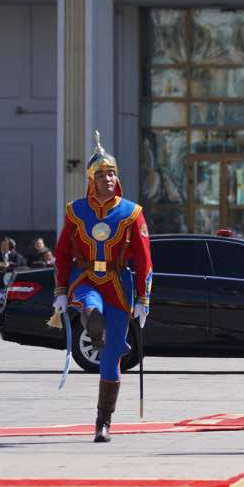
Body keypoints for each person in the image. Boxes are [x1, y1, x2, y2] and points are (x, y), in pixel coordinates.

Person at [52, 133, 153, 443]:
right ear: (91, 180)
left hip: (118, 286)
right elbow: (62, 253)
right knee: (89, 305)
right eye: (101, 174)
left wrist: (143, 298)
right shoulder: (75, 210)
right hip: (86, 280)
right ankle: (94, 326)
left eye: (112, 173)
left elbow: (144, 258)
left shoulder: (132, 213)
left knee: (110, 359)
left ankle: (103, 422)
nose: (108, 179)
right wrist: (59, 291)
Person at [0, 237, 25, 327]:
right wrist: (1, 264)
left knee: (11, 301)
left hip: (12, 283)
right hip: (0, 281)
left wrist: (10, 264)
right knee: (0, 301)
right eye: (2, 244)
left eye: (6, 244)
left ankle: (12, 320)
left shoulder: (16, 255)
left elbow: (20, 263)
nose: (3, 246)